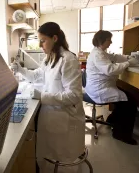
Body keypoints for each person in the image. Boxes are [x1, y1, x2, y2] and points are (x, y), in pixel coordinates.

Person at [12, 22, 85, 173]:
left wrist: (42, 96)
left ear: (55, 38)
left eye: (43, 40)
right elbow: (36, 75)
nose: (40, 45)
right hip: (51, 112)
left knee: (58, 153)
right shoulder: (50, 57)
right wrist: (20, 69)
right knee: (44, 150)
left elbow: (74, 96)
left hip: (64, 116)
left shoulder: (68, 60)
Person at [84, 30, 139, 145]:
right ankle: (120, 134)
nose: (111, 42)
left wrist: (128, 57)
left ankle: (112, 120)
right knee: (131, 102)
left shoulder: (100, 52)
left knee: (125, 99)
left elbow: (114, 57)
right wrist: (129, 63)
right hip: (99, 90)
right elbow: (110, 70)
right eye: (109, 40)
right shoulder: (98, 54)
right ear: (102, 40)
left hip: (100, 87)